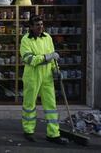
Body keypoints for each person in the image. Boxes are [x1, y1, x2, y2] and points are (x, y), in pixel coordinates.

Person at [20, 15, 68, 145]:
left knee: (51, 105)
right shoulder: (26, 40)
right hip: (32, 76)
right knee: (29, 104)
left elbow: (52, 58)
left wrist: (56, 70)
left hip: (47, 76)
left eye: (41, 24)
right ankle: (28, 131)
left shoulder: (48, 37)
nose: (40, 27)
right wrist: (48, 56)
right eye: (37, 25)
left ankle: (53, 134)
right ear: (30, 27)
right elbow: (30, 60)